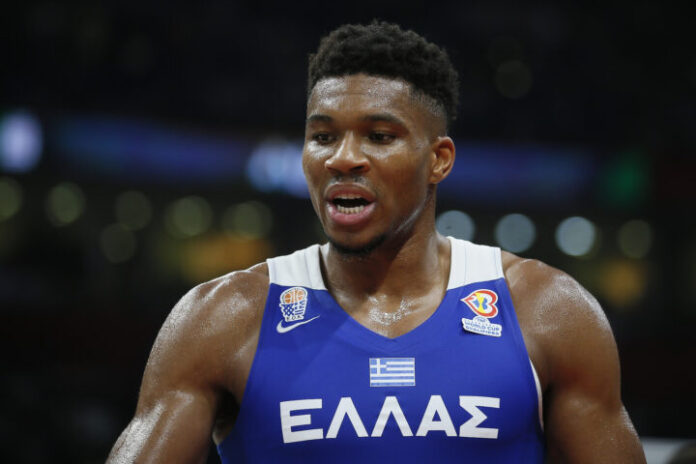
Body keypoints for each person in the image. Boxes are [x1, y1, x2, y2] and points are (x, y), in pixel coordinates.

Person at [107, 21, 646, 463]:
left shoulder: (547, 311)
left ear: (438, 160)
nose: (342, 158)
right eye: (323, 136)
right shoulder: (222, 318)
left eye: (379, 136)